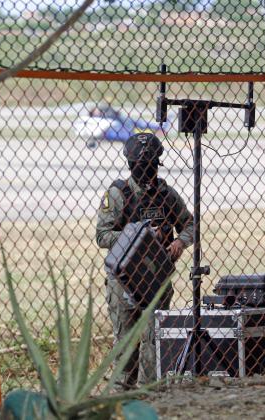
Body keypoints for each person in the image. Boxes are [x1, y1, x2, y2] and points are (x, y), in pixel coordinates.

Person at [96, 133, 194, 388]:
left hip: (156, 280)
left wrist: (180, 242)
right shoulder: (118, 194)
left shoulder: (166, 195)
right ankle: (121, 396)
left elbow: (189, 224)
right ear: (130, 165)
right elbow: (103, 235)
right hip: (125, 279)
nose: (146, 170)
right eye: (141, 165)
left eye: (150, 163)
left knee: (154, 340)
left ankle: (149, 392)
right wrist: (140, 235)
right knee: (127, 342)